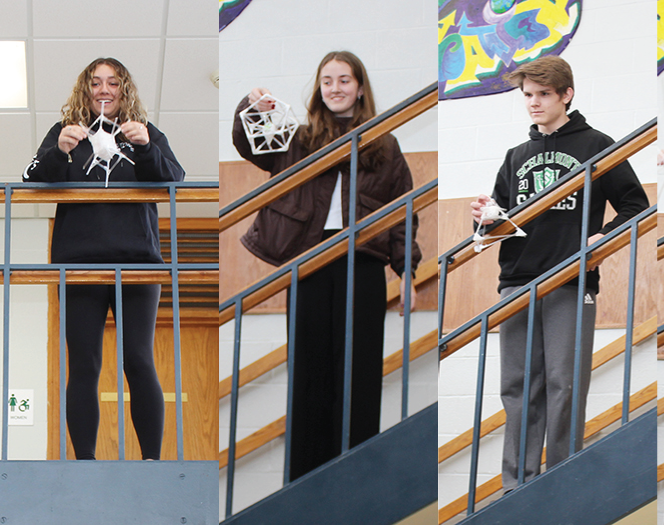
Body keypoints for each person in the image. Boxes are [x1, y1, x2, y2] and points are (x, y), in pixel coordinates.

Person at [232, 50, 421, 482]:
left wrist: (406, 273)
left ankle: (355, 480)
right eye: (327, 80)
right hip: (309, 261)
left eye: (344, 80)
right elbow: (250, 147)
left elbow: (402, 212)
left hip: (363, 264)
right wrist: (251, 107)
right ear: (319, 88)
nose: (335, 88)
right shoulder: (299, 137)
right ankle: (305, 483)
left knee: (360, 372)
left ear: (359, 87)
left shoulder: (384, 144)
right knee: (309, 373)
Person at [470, 56, 648, 492]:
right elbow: (499, 224)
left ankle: (561, 483)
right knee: (517, 387)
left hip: (570, 279)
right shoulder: (516, 156)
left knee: (563, 384)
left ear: (566, 95)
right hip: (516, 282)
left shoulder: (597, 145)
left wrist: (603, 237)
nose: (533, 103)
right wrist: (485, 219)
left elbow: (635, 204)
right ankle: (518, 487)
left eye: (543, 94)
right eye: (528, 95)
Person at [24, 57, 185, 460]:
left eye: (113, 82)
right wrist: (60, 152)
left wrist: (146, 146)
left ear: (123, 88)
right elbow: (30, 179)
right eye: (96, 83)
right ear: (86, 89)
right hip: (78, 264)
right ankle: (85, 463)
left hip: (139, 262)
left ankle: (152, 461)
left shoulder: (146, 132)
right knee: (84, 364)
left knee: (138, 359)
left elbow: (174, 179)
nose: (104, 90)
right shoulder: (66, 133)